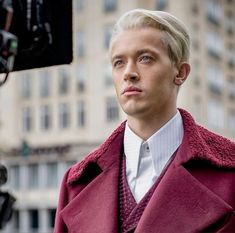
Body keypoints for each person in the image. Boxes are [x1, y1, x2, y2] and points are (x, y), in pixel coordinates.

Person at [54, 9, 235, 233]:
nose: (129, 73)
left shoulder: (229, 174)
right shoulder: (76, 183)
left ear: (180, 72)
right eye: (119, 62)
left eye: (145, 58)